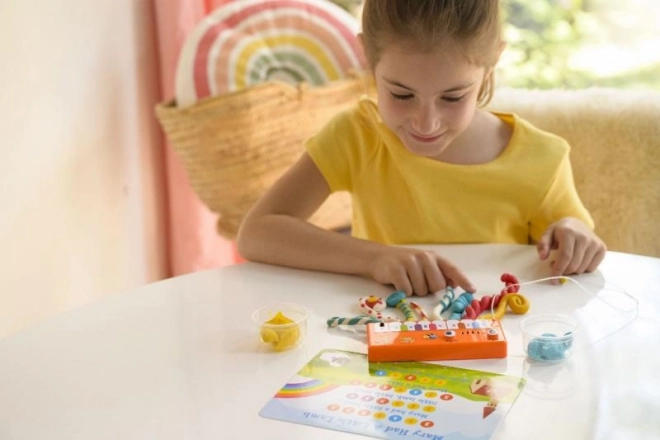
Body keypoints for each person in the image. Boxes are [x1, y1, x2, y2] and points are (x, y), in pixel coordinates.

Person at [236, 0, 606, 296]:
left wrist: (575, 234)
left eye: (452, 96)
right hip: (381, 353)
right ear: (367, 54)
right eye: (401, 94)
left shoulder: (542, 158)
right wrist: (376, 258)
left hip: (500, 355)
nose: (425, 123)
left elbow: (575, 251)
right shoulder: (358, 136)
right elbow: (258, 233)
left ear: (493, 60)